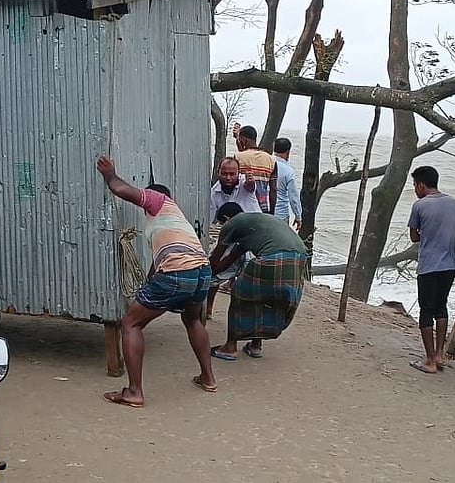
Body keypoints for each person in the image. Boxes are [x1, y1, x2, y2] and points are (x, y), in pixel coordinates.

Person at [96, 155, 217, 408]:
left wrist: (110, 175)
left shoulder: (158, 199)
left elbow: (122, 189)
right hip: (201, 271)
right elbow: (162, 260)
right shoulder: (174, 219)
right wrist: (149, 283)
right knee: (192, 319)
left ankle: (134, 391)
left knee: (131, 323)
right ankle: (208, 378)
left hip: (177, 272)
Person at [208, 204, 308, 360]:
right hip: (299, 258)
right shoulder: (256, 226)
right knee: (267, 300)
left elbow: (215, 261)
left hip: (273, 257)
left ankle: (230, 347)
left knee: (240, 296)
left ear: (226, 219)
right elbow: (228, 261)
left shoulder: (231, 224)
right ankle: (256, 345)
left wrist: (201, 273)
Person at [406, 166, 455, 374]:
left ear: (421, 184)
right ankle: (440, 353)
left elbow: (414, 237)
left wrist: (426, 234)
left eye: (414, 185)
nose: (415, 190)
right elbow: (454, 230)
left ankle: (429, 361)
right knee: (441, 307)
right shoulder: (454, 203)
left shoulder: (420, 205)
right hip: (450, 264)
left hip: (429, 265)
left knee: (426, 311)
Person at [204, 157, 262, 321]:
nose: (228, 178)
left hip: (252, 235)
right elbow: (211, 218)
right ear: (218, 173)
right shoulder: (214, 192)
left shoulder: (245, 184)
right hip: (230, 236)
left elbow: (250, 187)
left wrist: (251, 182)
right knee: (214, 272)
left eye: (232, 174)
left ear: (239, 173)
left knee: (250, 279)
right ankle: (208, 308)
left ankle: (247, 317)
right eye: (225, 174)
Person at [234, 125, 277, 215]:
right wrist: (272, 213)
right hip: (262, 208)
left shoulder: (238, 157)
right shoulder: (271, 159)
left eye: (240, 139)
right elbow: (273, 189)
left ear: (244, 139)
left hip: (242, 208)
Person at [272, 137, 303, 231]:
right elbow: (293, 197)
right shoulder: (288, 171)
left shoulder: (266, 164)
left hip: (263, 211)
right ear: (288, 152)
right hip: (280, 214)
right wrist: (298, 216)